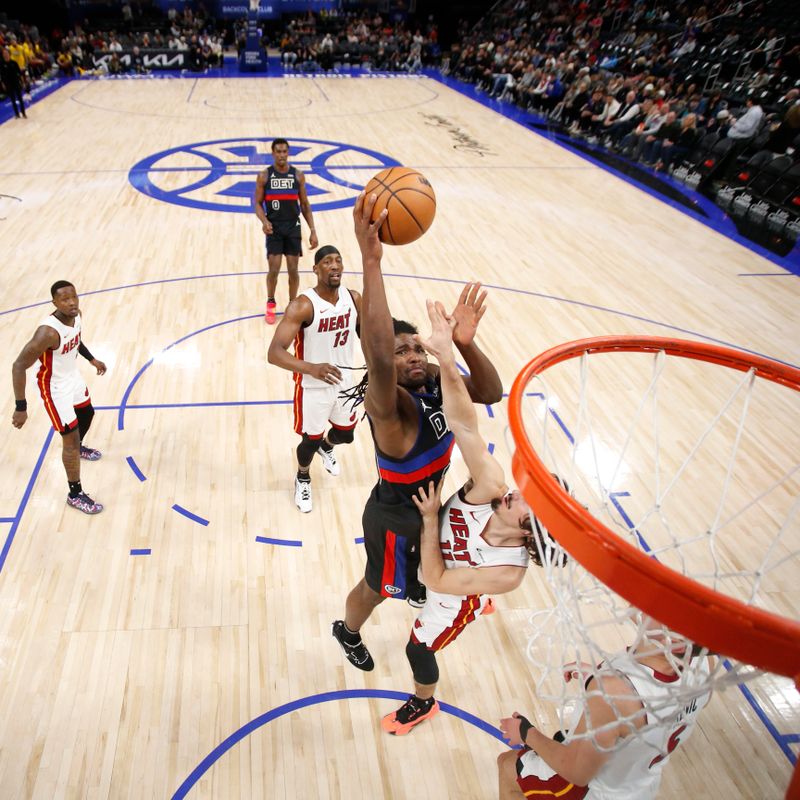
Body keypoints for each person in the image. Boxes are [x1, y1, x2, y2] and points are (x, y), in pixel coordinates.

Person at [332, 192, 502, 671]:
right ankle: (346, 631)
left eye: (417, 349)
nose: (411, 356)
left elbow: (490, 392)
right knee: (377, 589)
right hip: (394, 520)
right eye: (402, 350)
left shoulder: (435, 383)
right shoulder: (391, 407)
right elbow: (380, 356)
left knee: (427, 576)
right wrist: (371, 260)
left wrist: (464, 346)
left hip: (430, 513)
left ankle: (419, 584)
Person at [381, 299, 566, 735]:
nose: (517, 493)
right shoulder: (493, 489)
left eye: (526, 502)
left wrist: (430, 520)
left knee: (418, 647)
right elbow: (465, 426)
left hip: (451, 592)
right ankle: (477, 594)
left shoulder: (508, 573)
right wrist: (446, 354)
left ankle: (423, 703)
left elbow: (439, 581)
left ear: (528, 529)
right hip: (451, 562)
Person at [497, 618, 714, 799]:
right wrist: (597, 676)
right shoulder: (704, 665)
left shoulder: (614, 691)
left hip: (593, 791)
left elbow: (576, 772)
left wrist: (526, 731)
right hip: (639, 787)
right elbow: (664, 699)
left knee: (507, 766)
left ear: (673, 638)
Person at [267, 245, 361, 513]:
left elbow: (366, 335)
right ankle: (303, 477)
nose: (335, 265)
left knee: (346, 435)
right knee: (309, 441)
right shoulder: (302, 305)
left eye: (338, 261)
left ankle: (327, 447)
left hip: (346, 383)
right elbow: (274, 353)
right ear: (316, 269)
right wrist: (312, 368)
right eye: (328, 262)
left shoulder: (354, 298)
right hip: (313, 386)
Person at [11, 281, 107, 515]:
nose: (72, 302)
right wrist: (21, 407)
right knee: (69, 440)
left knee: (87, 412)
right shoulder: (47, 333)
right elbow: (18, 366)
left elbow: (75, 339)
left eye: (74, 296)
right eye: (65, 299)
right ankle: (75, 494)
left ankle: (79, 446)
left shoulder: (77, 315)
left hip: (71, 376)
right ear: (54, 303)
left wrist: (91, 359)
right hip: (54, 387)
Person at [253, 138, 318, 324]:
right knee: (273, 269)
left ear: (288, 153)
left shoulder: (297, 175)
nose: (281, 155)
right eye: (278, 152)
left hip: (293, 226)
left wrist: (313, 230)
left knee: (293, 270)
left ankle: (292, 305)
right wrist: (264, 220)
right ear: (273, 153)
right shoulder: (264, 176)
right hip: (274, 226)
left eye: (284, 152)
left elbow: (304, 204)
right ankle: (271, 303)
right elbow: (257, 203)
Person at [0, 46, 26, 119]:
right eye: (4, 53)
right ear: (3, 55)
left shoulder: (14, 63)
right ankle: (17, 114)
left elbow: (19, 73)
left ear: (9, 54)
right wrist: (3, 84)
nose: (5, 54)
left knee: (20, 99)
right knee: (13, 100)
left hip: (16, 82)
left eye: (6, 53)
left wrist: (22, 81)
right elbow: (1, 76)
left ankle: (23, 113)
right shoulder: (1, 65)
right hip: (8, 84)